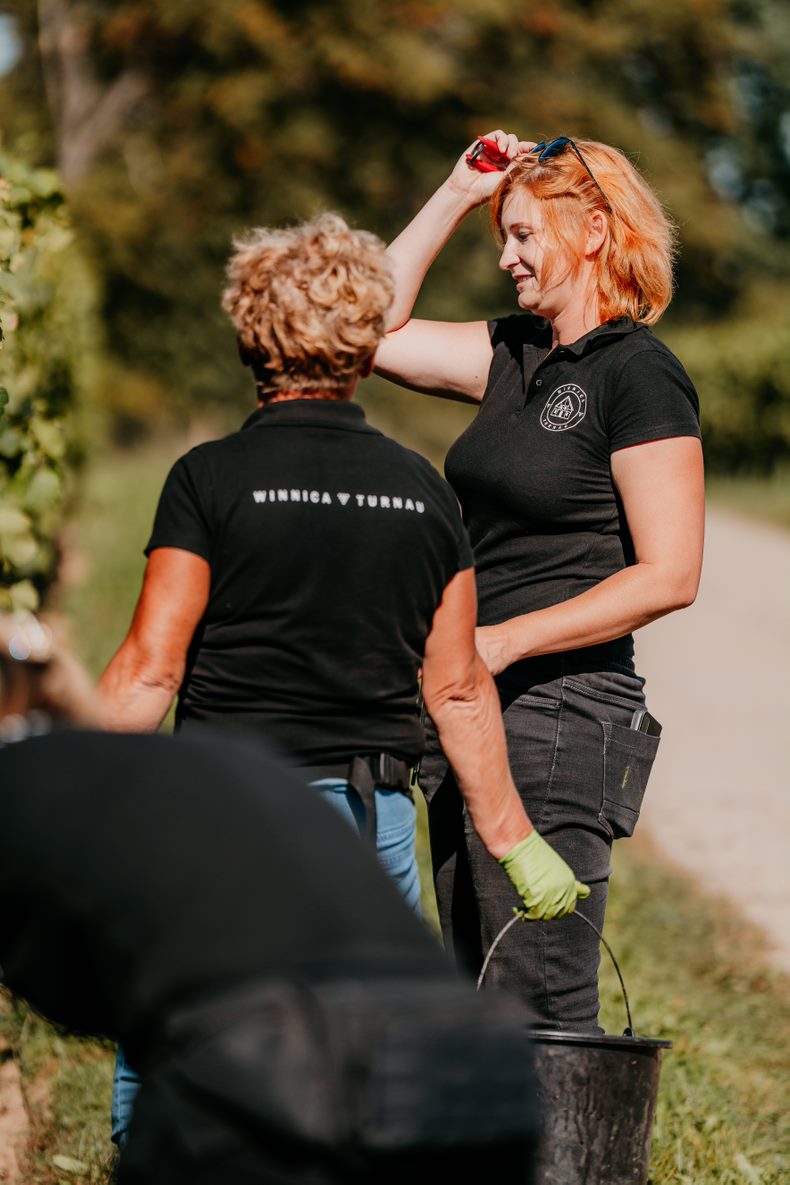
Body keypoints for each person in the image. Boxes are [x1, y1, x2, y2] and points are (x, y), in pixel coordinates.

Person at [97, 212, 587, 1142]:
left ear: (251, 334)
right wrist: (517, 841)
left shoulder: (208, 478)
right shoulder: (422, 489)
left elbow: (150, 669)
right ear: (364, 344)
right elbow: (456, 688)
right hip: (369, 824)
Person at [0, 614, 541, 1184]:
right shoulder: (206, 765)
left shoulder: (20, 788)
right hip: (477, 1076)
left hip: (291, 1080)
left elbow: (75, 993)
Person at [374, 131, 705, 1032]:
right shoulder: (512, 353)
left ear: (593, 231)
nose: (507, 258)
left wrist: (502, 641)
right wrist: (457, 192)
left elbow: (671, 573)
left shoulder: (640, 374)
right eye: (504, 237)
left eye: (523, 235)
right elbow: (367, 333)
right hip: (471, 708)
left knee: (542, 1008)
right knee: (479, 998)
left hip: (561, 714)